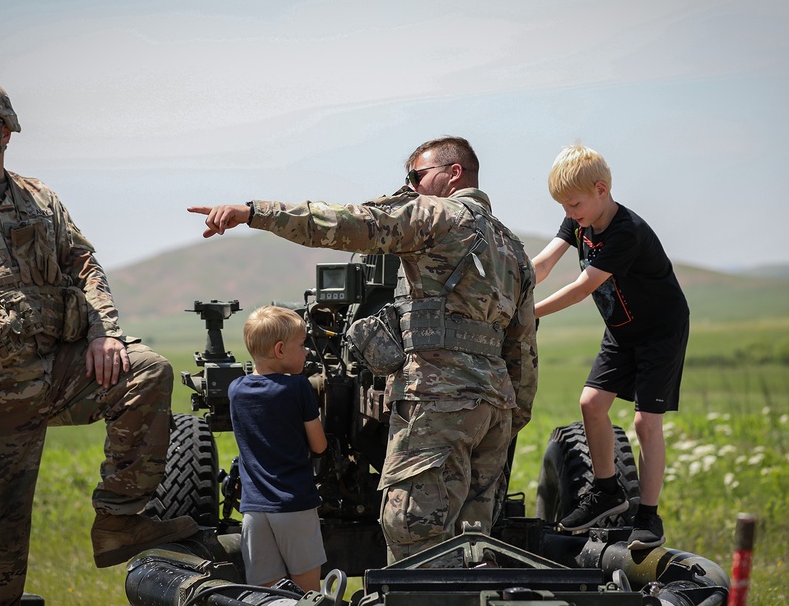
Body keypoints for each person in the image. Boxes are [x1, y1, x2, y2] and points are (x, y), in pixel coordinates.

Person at [0, 80, 197, 604]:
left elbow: (83, 265)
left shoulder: (41, 199)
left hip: (54, 375)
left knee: (144, 370)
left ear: (4, 133)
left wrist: (105, 334)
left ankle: (120, 520)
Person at [189, 136, 537, 563]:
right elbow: (523, 350)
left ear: (454, 173)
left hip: (437, 403)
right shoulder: (514, 249)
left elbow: (345, 223)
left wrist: (255, 213)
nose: (410, 188)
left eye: (416, 177)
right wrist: (508, 416)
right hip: (494, 410)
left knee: (414, 536)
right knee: (472, 545)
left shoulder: (438, 215)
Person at [530, 144, 689, 550]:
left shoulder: (626, 232)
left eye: (573, 203)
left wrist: (528, 314)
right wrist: (507, 287)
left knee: (644, 423)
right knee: (591, 404)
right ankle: (606, 492)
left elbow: (583, 288)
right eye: (563, 205)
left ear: (601, 189)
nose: (568, 212)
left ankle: (648, 518)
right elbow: (544, 264)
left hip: (660, 333)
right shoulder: (579, 219)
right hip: (621, 330)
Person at [230, 305, 329, 592]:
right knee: (308, 594)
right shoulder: (298, 388)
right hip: (293, 506)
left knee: (267, 595)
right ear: (280, 349)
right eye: (302, 345)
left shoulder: (236, 389)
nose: (307, 351)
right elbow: (319, 445)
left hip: (253, 512)